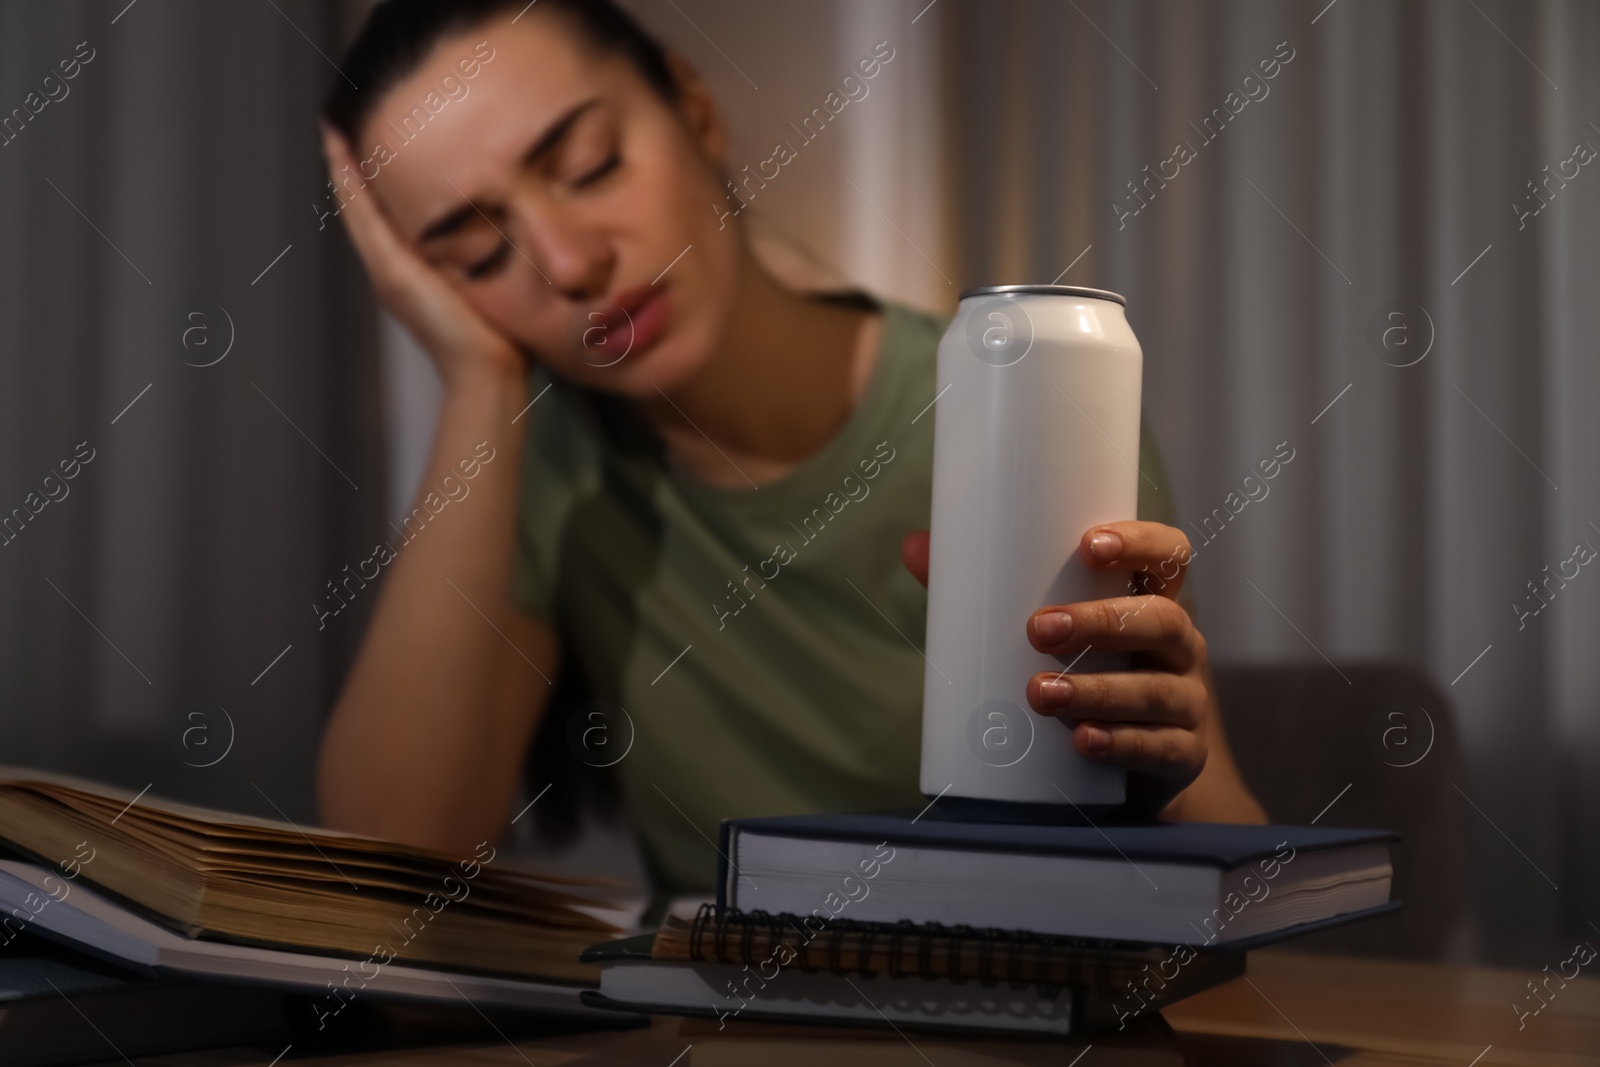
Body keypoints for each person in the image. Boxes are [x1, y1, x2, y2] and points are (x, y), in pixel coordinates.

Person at [315, 0, 1266, 898]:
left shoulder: (1014, 399)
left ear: (694, 109)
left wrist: (1161, 772)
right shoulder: (537, 471)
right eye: (476, 255)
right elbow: (389, 891)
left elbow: (1229, 883)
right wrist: (478, 385)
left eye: (591, 164)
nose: (567, 265)